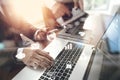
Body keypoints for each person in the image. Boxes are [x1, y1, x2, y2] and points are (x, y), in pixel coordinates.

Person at [0, 1, 54, 80]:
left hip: (26, 61)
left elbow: (22, 23)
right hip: (6, 71)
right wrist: (19, 53)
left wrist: (36, 32)